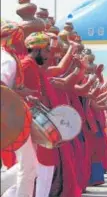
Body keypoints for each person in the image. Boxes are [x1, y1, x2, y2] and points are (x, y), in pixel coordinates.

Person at [0, 19, 39, 197]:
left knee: (28, 166)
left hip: (10, 115)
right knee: (28, 167)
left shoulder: (8, 57)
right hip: (10, 118)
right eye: (19, 37)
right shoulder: (7, 59)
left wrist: (22, 93)